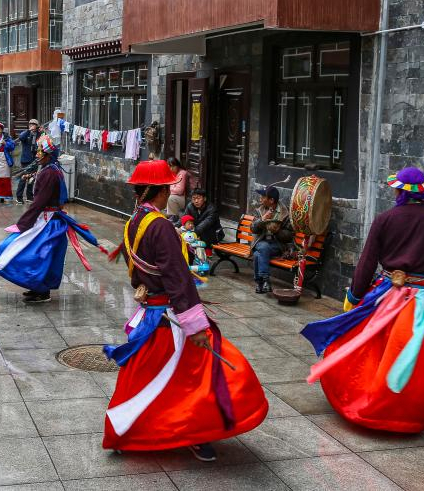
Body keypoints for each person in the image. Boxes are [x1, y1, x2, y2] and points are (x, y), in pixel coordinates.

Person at [103, 159, 267, 462]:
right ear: (160, 191)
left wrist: (147, 288)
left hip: (152, 314)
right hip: (170, 317)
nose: (170, 192)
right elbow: (178, 280)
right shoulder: (161, 226)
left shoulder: (133, 221)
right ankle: (193, 432)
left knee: (146, 378)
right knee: (201, 376)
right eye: (167, 188)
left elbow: (139, 270)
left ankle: (127, 432)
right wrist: (196, 327)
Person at [300, 167, 424, 433]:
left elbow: (367, 261)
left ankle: (369, 404)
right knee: (423, 358)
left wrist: (355, 295)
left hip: (386, 297)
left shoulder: (385, 219)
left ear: (399, 192)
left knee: (367, 350)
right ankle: (407, 414)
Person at [0, 135, 100, 304]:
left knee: (35, 254)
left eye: (40, 152)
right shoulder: (51, 169)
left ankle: (42, 290)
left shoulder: (49, 173)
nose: (37, 155)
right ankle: (37, 287)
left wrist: (24, 222)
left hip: (47, 222)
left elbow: (40, 202)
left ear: (48, 155)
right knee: (38, 254)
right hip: (47, 219)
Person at [249, 186, 293, 294]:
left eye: (263, 197)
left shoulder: (285, 213)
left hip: (277, 245)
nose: (260, 199)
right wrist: (262, 219)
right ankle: (266, 280)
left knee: (257, 254)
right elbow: (253, 228)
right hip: (260, 242)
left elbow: (289, 236)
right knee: (263, 247)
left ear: (271, 200)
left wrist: (278, 231)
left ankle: (260, 283)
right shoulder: (259, 210)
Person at [174, 189, 223, 256]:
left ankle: (207, 249)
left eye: (198, 198)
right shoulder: (190, 206)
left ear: (204, 199)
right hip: (197, 232)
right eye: (194, 198)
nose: (196, 201)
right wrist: (175, 227)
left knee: (203, 230)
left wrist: (192, 233)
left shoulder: (212, 209)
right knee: (182, 229)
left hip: (213, 234)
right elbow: (184, 218)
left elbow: (205, 224)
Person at [16, 119, 40, 204]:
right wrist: (28, 130)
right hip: (26, 160)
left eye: (34, 125)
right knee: (23, 178)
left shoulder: (39, 134)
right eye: (30, 124)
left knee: (32, 179)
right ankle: (19, 197)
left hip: (35, 160)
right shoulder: (26, 133)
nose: (32, 126)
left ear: (37, 126)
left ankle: (29, 197)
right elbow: (21, 137)